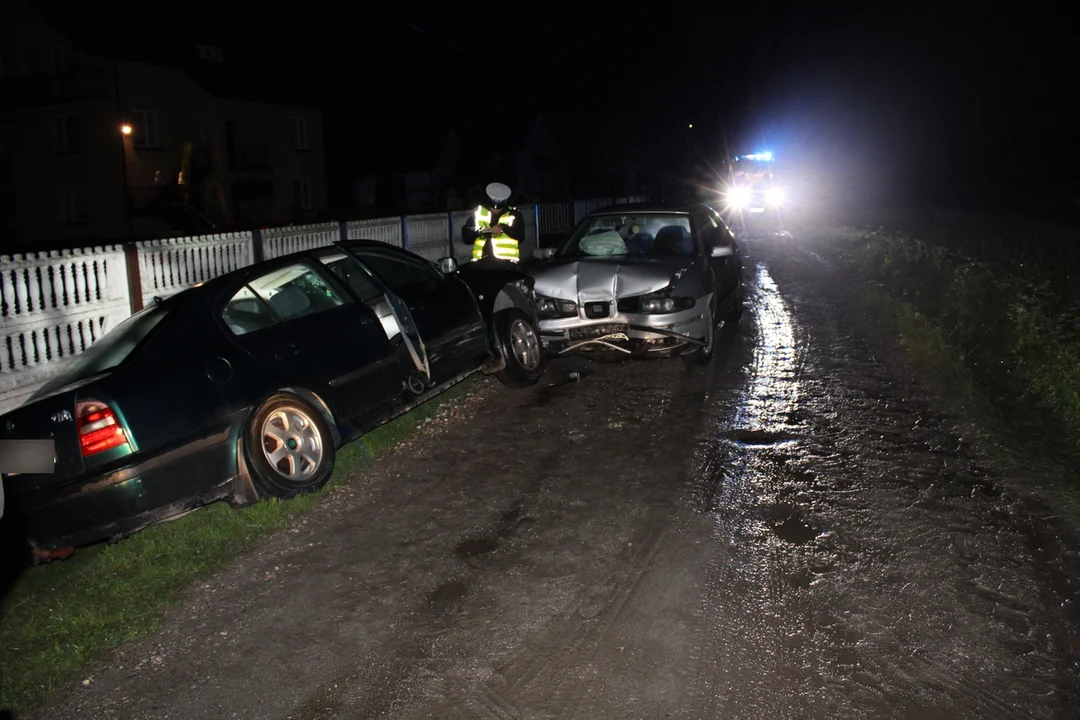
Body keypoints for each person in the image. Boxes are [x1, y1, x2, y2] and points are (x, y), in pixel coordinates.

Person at [462, 182, 524, 262]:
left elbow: (520, 236)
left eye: (498, 209)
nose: (495, 211)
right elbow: (466, 235)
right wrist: (481, 231)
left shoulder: (513, 213)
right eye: (493, 209)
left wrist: (503, 228)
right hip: (481, 263)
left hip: (507, 264)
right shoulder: (479, 212)